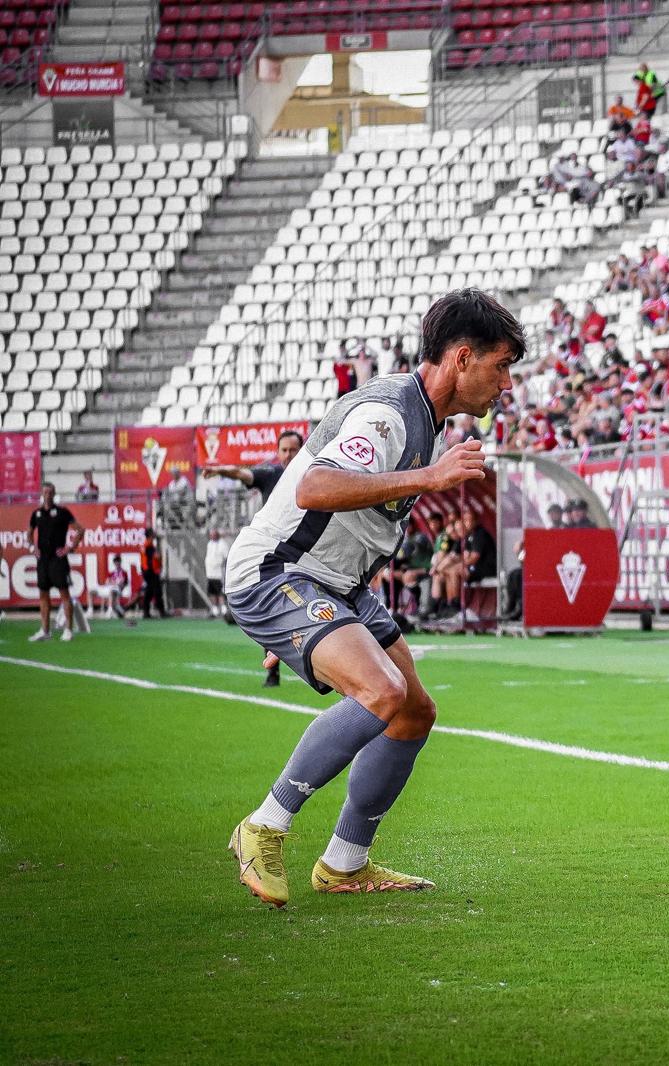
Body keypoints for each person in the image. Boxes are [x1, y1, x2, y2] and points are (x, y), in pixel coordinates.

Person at [223, 288, 524, 907]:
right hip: (278, 571)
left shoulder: (428, 421)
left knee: (414, 711)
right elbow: (313, 487)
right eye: (501, 367)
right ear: (462, 358)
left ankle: (345, 862)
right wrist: (429, 477)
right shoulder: (387, 415)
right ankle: (265, 824)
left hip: (339, 583)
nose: (506, 385)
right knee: (381, 691)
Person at [203, 429, 305, 685]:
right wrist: (221, 470)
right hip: (275, 556)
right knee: (271, 609)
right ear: (277, 452)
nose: (288, 455)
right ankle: (273, 671)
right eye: (284, 450)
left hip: (308, 553)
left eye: (293, 450)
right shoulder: (272, 475)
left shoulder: (313, 474)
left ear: (302, 450)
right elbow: (242, 473)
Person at [28, 482, 83, 643]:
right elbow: (29, 534)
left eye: (50, 492)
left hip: (58, 560)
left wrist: (69, 547)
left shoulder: (62, 512)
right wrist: (32, 548)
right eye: (45, 492)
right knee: (43, 594)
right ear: (41, 494)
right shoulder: (36, 514)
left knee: (64, 594)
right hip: (43, 560)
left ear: (54, 494)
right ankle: (45, 630)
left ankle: (68, 630)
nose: (47, 495)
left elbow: (80, 529)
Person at [205, 529, 233, 618]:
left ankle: (224, 610)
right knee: (211, 592)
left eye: (213, 535)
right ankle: (215, 610)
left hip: (219, 573)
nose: (212, 536)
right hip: (210, 573)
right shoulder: (209, 544)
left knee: (220, 592)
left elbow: (226, 557)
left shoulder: (222, 544)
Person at [139, 528, 166, 619]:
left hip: (147, 570)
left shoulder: (146, 545)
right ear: (150, 535)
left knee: (149, 591)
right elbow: (156, 557)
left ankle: (146, 612)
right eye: (153, 534)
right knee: (157, 591)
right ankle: (161, 611)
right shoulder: (149, 546)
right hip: (151, 571)